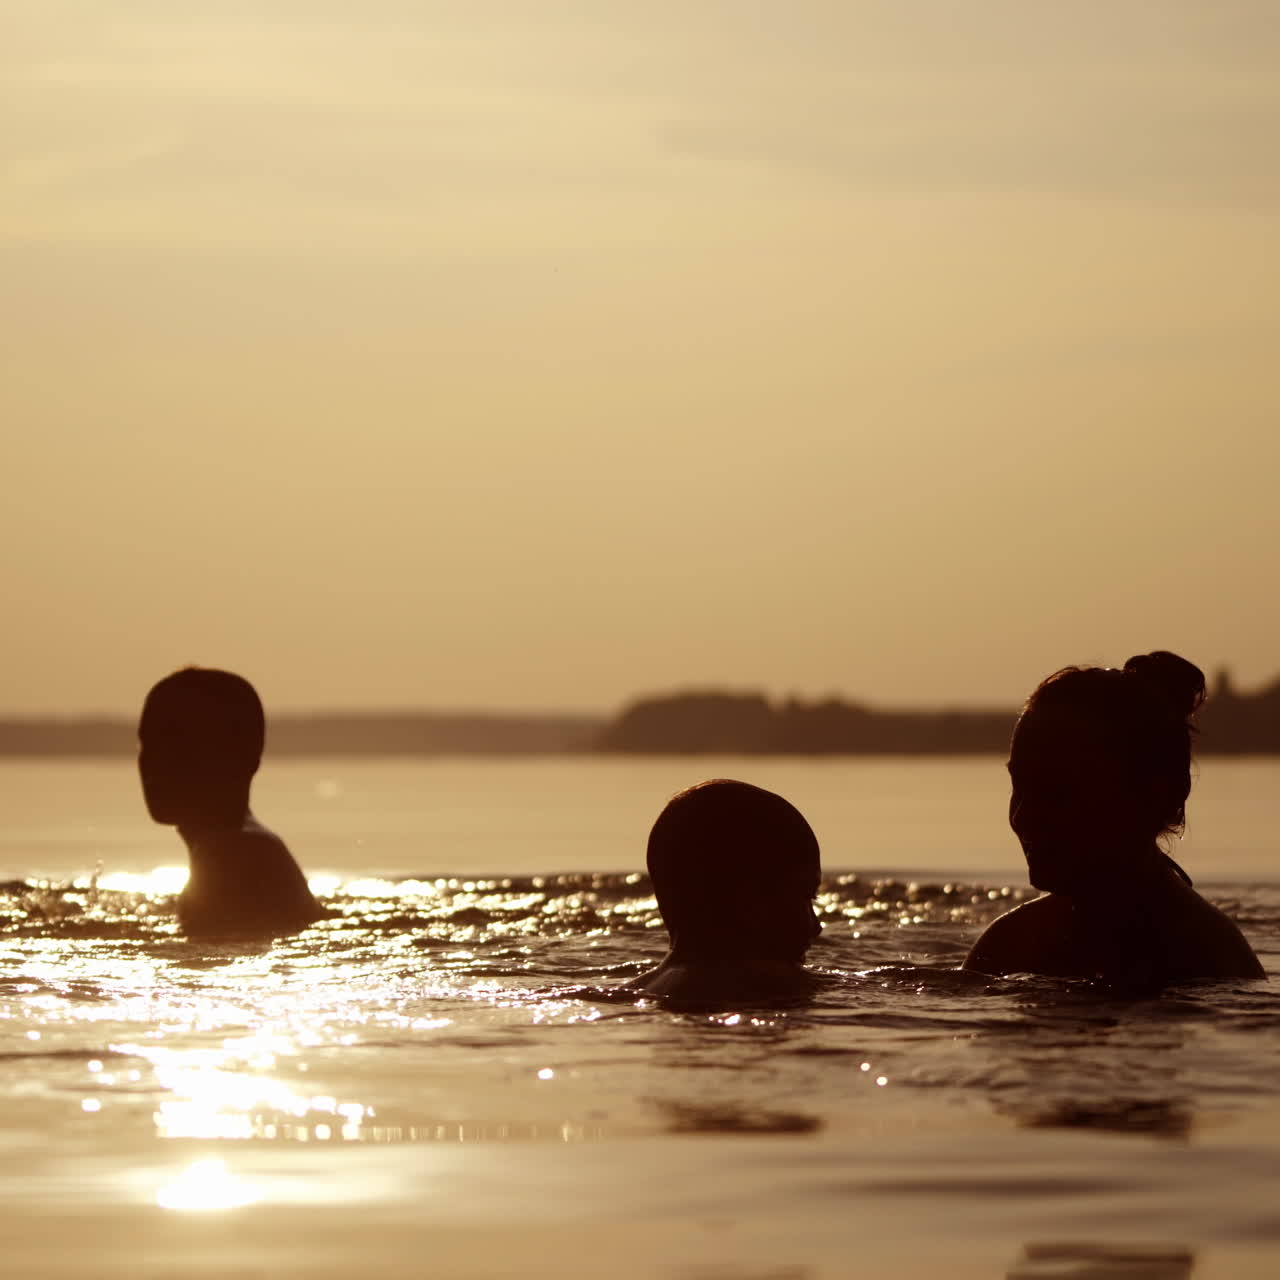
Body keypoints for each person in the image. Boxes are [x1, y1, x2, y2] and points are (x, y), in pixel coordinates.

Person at [964, 651, 1263, 983]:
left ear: (1154, 795)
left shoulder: (1212, 963)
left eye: (1056, 792)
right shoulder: (1009, 946)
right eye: (1019, 786)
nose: (1023, 818)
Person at [138, 667, 321, 938]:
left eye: (180, 745)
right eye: (149, 743)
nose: (155, 761)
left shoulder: (232, 855)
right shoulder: (245, 847)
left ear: (245, 758)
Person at [629, 778, 823, 1001]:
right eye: (804, 897)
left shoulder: (635, 992)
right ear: (745, 897)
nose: (814, 927)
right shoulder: (770, 990)